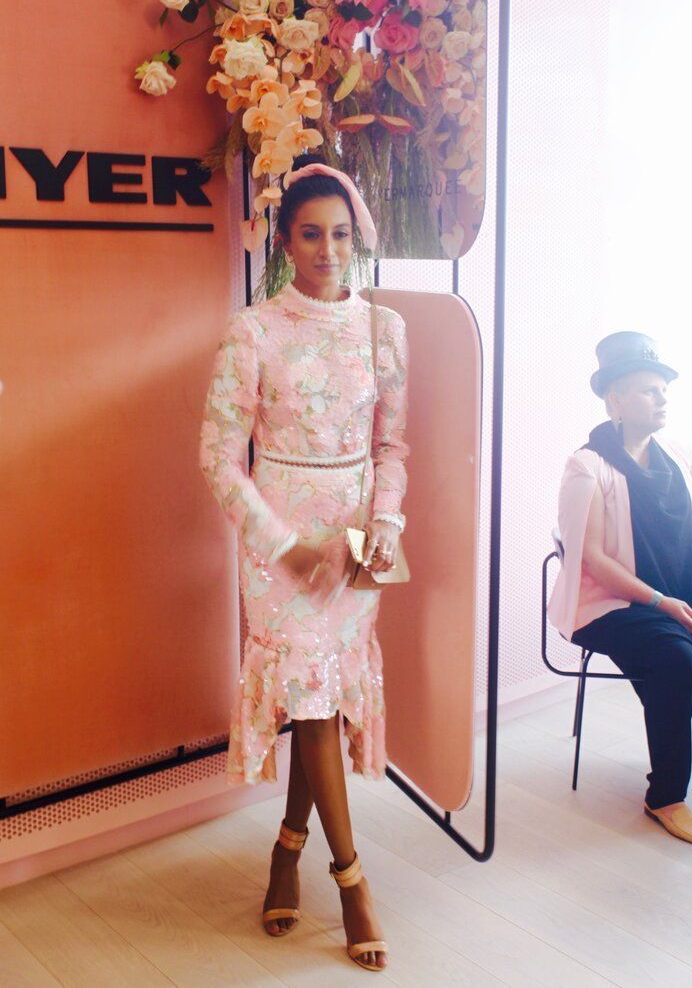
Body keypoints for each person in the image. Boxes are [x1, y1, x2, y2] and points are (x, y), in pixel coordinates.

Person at [199, 154, 408, 970]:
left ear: (356, 239)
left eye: (341, 234)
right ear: (285, 240)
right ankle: (352, 880)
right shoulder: (252, 328)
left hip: (356, 541)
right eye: (312, 234)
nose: (329, 250)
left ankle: (288, 846)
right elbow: (220, 458)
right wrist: (288, 547)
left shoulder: (383, 328)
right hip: (283, 543)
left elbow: (392, 445)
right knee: (313, 702)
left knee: (321, 699)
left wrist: (380, 524)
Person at [548, 331, 692, 846]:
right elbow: (591, 557)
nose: (662, 400)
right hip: (613, 604)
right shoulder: (586, 465)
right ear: (615, 399)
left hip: (682, 596)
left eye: (663, 390)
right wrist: (661, 601)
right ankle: (665, 797)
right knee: (675, 656)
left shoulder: (678, 456)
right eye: (647, 390)